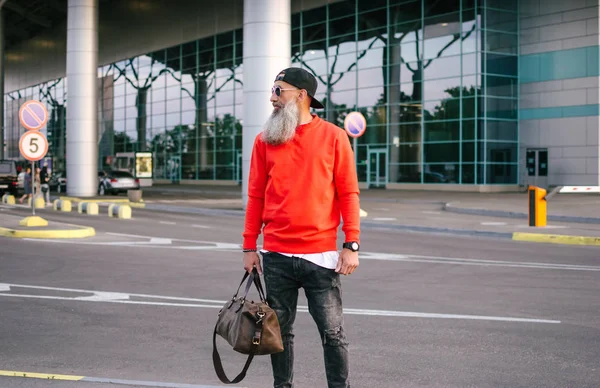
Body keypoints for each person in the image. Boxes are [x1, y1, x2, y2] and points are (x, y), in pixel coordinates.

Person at [242, 67, 361, 388]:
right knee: (280, 334)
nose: (272, 98)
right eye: (273, 90)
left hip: (321, 258)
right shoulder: (265, 140)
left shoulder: (334, 137)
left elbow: (349, 193)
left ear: (301, 95)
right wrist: (249, 246)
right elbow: (255, 196)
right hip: (277, 256)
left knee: (333, 334)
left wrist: (351, 244)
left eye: (278, 90)